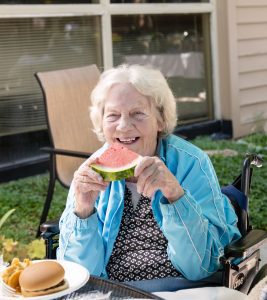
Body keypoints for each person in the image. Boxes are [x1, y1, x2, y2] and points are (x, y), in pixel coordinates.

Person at [58, 64, 241, 292]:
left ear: (160, 120)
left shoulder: (192, 163)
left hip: (184, 290)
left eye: (137, 114)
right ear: (101, 123)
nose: (124, 126)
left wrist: (175, 195)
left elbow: (200, 268)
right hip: (114, 292)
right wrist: (83, 211)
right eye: (113, 115)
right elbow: (80, 275)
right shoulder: (90, 171)